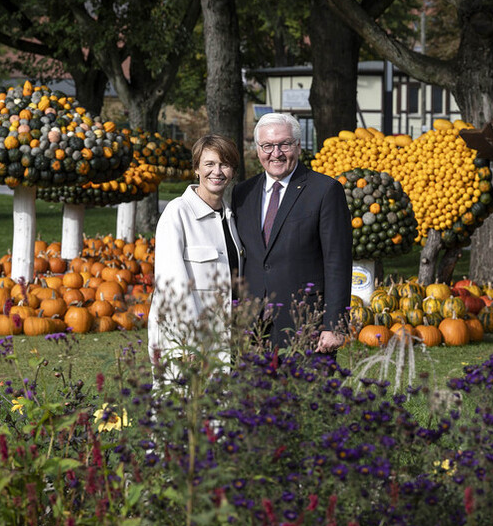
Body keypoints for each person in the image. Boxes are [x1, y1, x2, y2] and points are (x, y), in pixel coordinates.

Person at [233, 113, 352, 353]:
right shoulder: (242, 193)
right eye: (267, 146)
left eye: (284, 144)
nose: (275, 153)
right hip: (252, 325)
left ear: (297, 146)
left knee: (306, 392)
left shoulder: (325, 190)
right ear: (257, 149)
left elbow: (337, 261)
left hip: (306, 323)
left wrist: (334, 325)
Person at [148, 134, 243, 373]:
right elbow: (171, 285)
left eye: (225, 164)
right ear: (196, 169)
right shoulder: (178, 213)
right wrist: (187, 343)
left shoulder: (231, 219)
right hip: (188, 340)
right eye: (209, 164)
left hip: (224, 337)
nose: (217, 171)